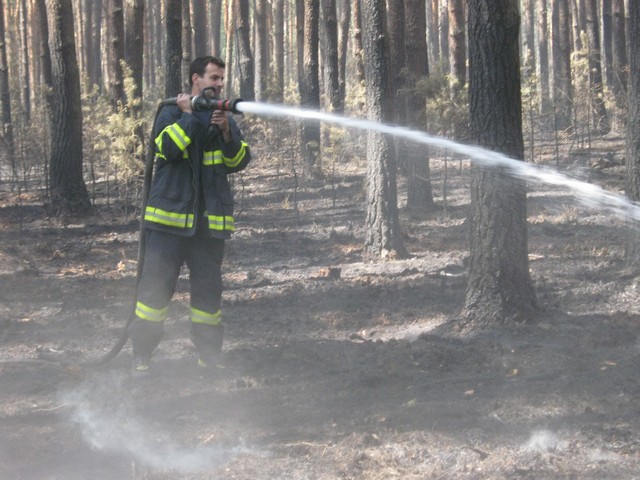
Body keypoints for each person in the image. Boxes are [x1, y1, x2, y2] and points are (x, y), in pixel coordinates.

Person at [127, 56, 251, 373]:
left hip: (208, 227)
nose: (219, 84)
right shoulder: (170, 111)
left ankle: (208, 359)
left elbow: (238, 161)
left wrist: (226, 132)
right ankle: (142, 356)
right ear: (196, 79)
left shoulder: (223, 117)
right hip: (168, 223)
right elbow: (167, 149)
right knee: (153, 294)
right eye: (213, 77)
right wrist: (191, 117)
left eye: (222, 78)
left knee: (208, 300)